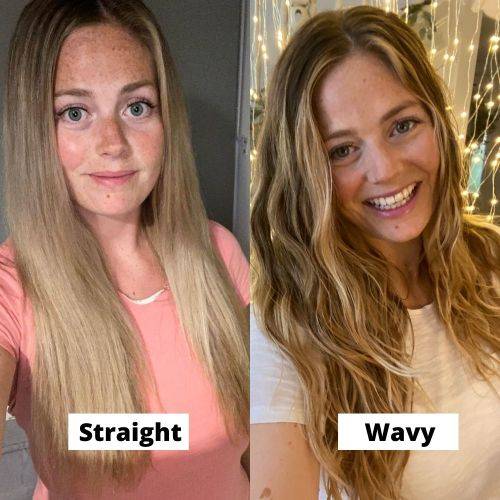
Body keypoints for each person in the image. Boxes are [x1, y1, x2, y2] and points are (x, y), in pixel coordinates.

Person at [0, 1, 249, 498]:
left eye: (136, 107)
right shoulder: (12, 285)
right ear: (35, 132)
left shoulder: (218, 251)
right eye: (74, 112)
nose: (112, 142)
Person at [250, 6, 500, 500]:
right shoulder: (283, 327)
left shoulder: (489, 258)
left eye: (402, 125)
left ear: (436, 123)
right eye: (341, 150)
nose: (384, 169)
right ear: (308, 175)